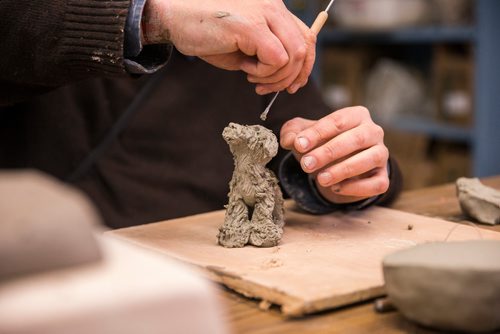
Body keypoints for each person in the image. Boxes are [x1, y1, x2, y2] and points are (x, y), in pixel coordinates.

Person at [0, 1, 401, 228]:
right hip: (37, 258)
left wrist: (338, 171)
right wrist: (151, 18)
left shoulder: (261, 41)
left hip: (192, 280)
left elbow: (315, 140)